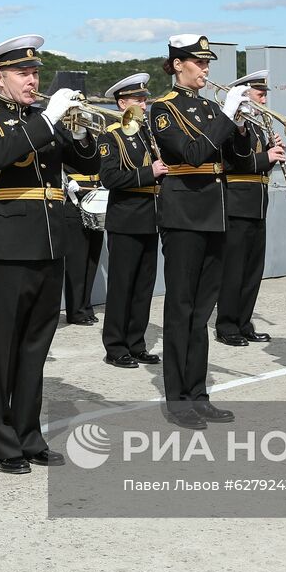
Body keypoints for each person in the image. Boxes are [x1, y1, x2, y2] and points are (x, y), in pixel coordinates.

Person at [0, 35, 99, 474]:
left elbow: (84, 164)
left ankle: (29, 435)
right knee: (2, 350)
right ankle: (2, 444)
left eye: (35, 72)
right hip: (7, 245)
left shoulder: (46, 118)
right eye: (23, 73)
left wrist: (79, 131)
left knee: (35, 347)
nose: (32, 79)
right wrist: (50, 118)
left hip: (49, 241)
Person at [151, 34, 252, 429]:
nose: (206, 70)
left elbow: (239, 162)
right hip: (182, 214)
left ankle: (199, 393)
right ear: (178, 64)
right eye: (198, 62)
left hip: (215, 212)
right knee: (181, 309)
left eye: (207, 63)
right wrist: (226, 118)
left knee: (202, 311)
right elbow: (191, 154)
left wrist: (241, 124)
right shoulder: (162, 109)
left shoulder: (212, 107)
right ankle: (178, 400)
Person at [97, 73, 166, 369]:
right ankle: (115, 346)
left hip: (151, 218)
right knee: (122, 286)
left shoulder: (148, 134)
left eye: (144, 98)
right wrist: (150, 173)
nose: (143, 103)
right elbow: (110, 178)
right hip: (125, 219)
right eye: (137, 99)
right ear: (122, 102)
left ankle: (136, 343)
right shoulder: (110, 135)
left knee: (143, 287)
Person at [215, 70, 286, 347]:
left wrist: (272, 152)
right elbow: (233, 163)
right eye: (260, 93)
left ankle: (244, 322)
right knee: (233, 270)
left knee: (252, 270)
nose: (264, 98)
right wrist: (265, 156)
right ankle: (227, 325)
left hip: (257, 201)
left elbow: (256, 163)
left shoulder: (256, 125)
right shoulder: (233, 124)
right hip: (237, 201)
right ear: (245, 95)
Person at [61, 155, 104, 326]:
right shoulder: (64, 137)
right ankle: (75, 311)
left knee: (92, 261)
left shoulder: (92, 139)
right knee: (76, 263)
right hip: (74, 202)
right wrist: (65, 183)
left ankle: (86, 306)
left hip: (94, 198)